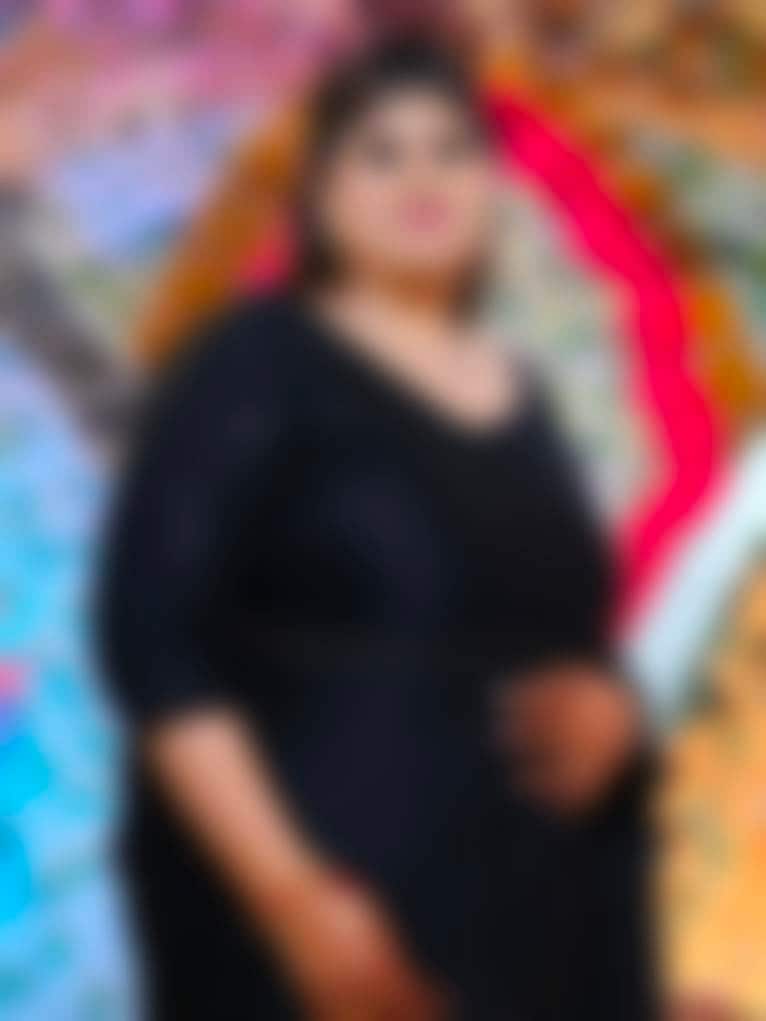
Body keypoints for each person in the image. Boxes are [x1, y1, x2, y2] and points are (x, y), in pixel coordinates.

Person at [99, 38, 654, 1021]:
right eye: (381, 152)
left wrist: (615, 714)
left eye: (450, 150)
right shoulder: (253, 365)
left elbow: (563, 636)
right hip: (331, 963)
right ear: (320, 196)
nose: (421, 177)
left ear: (490, 188)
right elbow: (151, 637)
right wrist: (294, 900)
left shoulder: (525, 397)